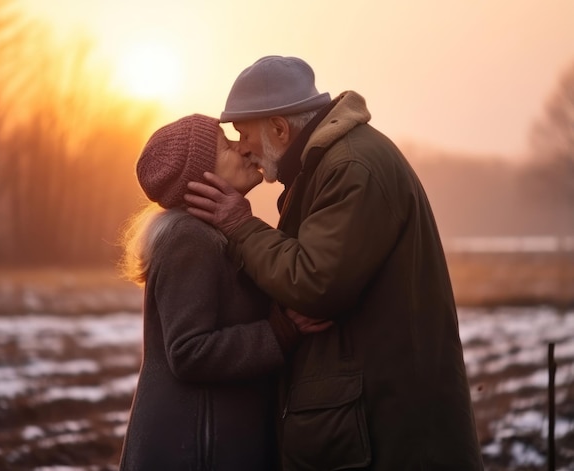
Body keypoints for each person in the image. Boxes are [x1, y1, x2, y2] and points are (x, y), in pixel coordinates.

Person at [184, 56, 484, 470]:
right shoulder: (326, 165)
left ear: (278, 128)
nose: (243, 146)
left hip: (385, 434)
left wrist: (240, 226)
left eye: (244, 132)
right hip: (371, 424)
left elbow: (314, 284)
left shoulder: (349, 168)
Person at [117, 114, 330, 471]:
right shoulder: (190, 239)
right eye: (227, 146)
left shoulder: (217, 234)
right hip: (194, 450)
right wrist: (280, 333)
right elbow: (188, 351)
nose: (244, 151)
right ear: (201, 180)